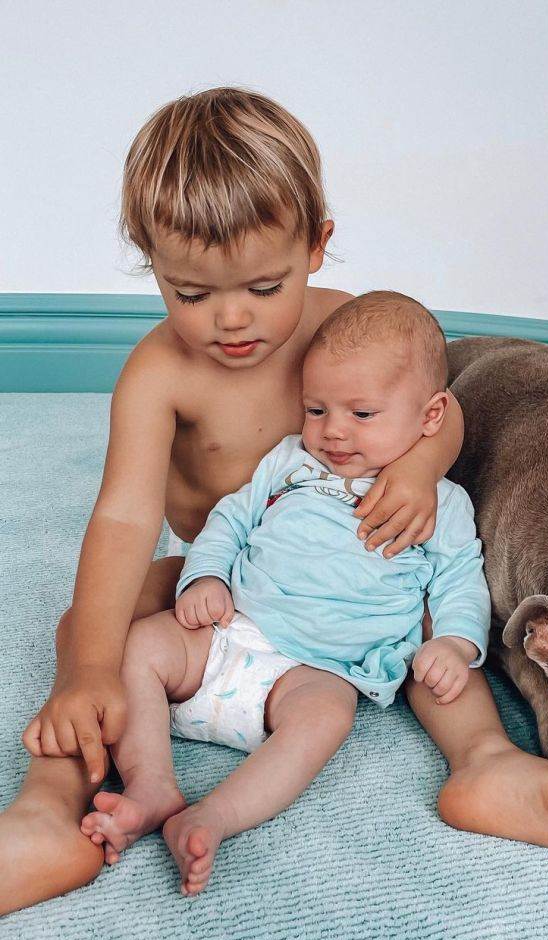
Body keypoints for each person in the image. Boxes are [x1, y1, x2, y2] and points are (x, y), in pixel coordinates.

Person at [0, 87, 548, 916]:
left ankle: (484, 761)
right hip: (229, 569)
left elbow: (437, 407)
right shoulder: (159, 374)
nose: (231, 320)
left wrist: (417, 471)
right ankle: (50, 808)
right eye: (190, 293)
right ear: (150, 263)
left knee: (432, 624)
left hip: (362, 560)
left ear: (316, 245)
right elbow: (123, 516)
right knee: (87, 628)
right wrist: (88, 669)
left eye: (265, 285)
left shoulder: (345, 328)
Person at [80, 291, 493, 895]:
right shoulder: (289, 462)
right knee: (142, 644)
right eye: (316, 409)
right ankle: (150, 786)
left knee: (326, 719)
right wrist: (206, 578)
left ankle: (214, 817)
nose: (333, 431)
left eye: (362, 414)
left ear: (430, 416)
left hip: (318, 669)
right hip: (231, 629)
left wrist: (455, 644)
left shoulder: (442, 503)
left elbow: (460, 578)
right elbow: (230, 520)